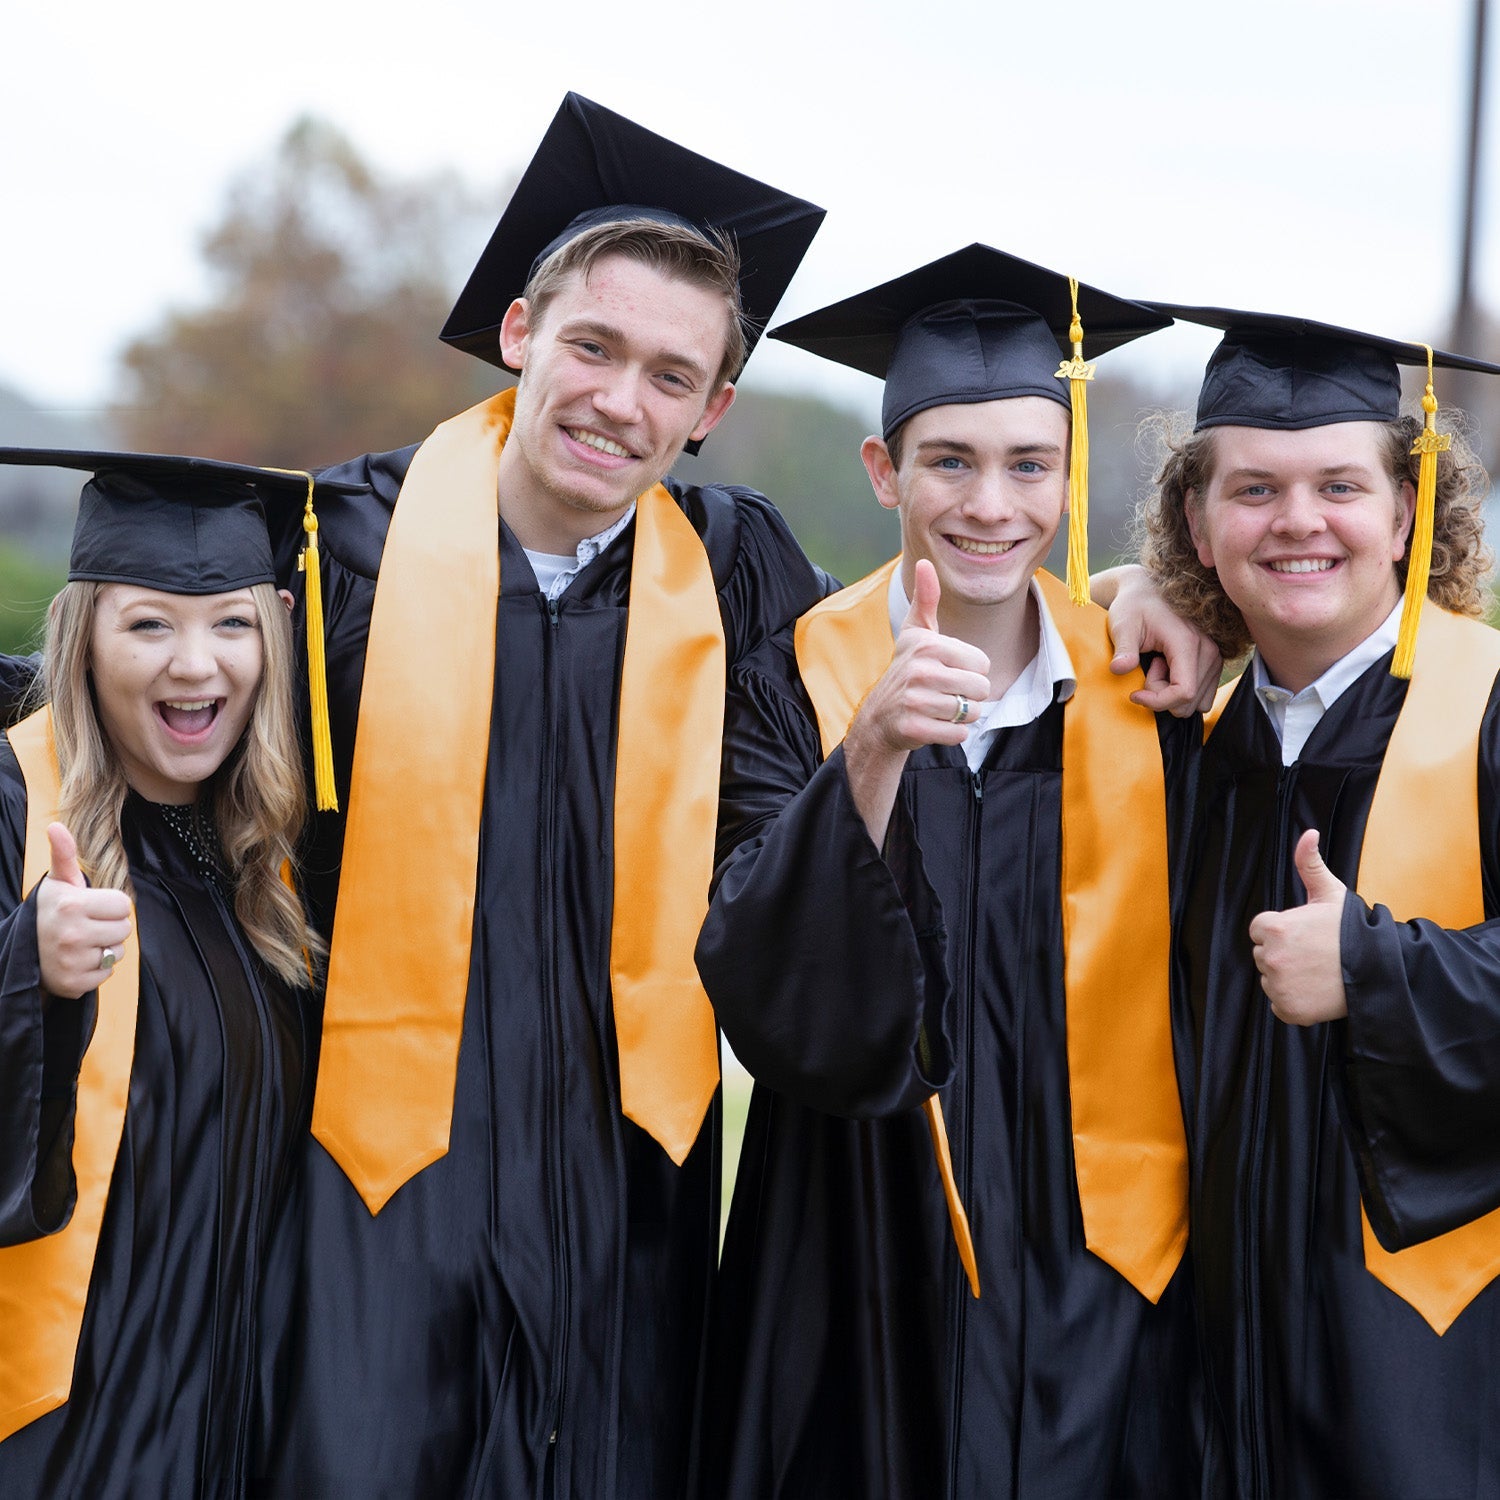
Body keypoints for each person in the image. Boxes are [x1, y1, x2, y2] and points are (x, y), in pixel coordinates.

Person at [252, 95, 828, 1499]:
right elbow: (150, 712)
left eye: (670, 377)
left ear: (711, 413)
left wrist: (1142, 609)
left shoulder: (740, 571)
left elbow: (889, 709)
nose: (620, 401)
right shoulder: (345, 546)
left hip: (627, 1180)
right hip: (375, 1171)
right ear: (520, 335)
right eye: (593, 346)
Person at [694, 246, 1201, 1499]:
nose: (992, 503)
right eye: (950, 461)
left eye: (1029, 464)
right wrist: (869, 746)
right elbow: (759, 980)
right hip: (853, 1255)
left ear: (1069, 474)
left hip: (1098, 1271)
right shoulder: (790, 682)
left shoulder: (1151, 697)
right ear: (886, 473)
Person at [1133, 306, 1500, 1499]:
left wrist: (1377, 968)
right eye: (1254, 490)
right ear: (1196, 520)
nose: (1298, 522)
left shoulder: (1486, 710)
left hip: (1434, 1377)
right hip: (1209, 1379)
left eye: (1339, 485)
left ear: (1405, 510)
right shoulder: (1170, 745)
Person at [0, 451, 340, 1498]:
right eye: (150, 624)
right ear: (84, 637)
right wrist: (29, 970)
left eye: (232, 624)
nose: (196, 666)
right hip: (63, 1426)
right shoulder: (14, 805)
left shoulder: (269, 861)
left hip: (230, 1415)